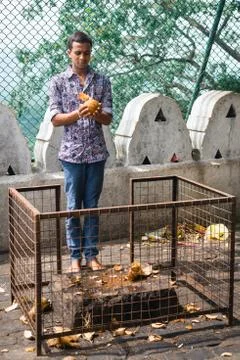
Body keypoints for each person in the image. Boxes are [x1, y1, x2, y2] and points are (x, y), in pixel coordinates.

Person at [49, 31, 112, 272]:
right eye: (78, 52)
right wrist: (78, 113)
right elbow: (55, 119)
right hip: (72, 155)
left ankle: (91, 255)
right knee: (74, 206)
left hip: (96, 154)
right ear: (69, 53)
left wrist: (95, 111)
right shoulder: (58, 82)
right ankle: (75, 256)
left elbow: (107, 118)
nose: (83, 57)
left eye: (86, 53)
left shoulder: (102, 82)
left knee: (92, 206)